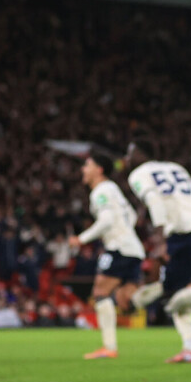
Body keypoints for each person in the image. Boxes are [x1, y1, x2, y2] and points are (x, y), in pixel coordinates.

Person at [124, 139, 191, 363]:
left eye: (130, 153)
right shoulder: (176, 167)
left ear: (140, 153)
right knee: (176, 289)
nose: (127, 158)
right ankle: (189, 347)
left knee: (173, 295)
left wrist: (160, 238)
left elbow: (154, 201)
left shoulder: (138, 174)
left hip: (180, 232)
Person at [69, 153, 145, 359]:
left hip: (118, 248)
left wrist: (81, 239)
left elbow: (106, 220)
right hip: (134, 248)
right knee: (125, 299)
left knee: (100, 293)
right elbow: (132, 215)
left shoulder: (100, 191)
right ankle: (160, 294)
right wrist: (126, 231)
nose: (84, 170)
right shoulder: (113, 189)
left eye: (88, 165)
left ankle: (109, 347)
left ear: (99, 169)